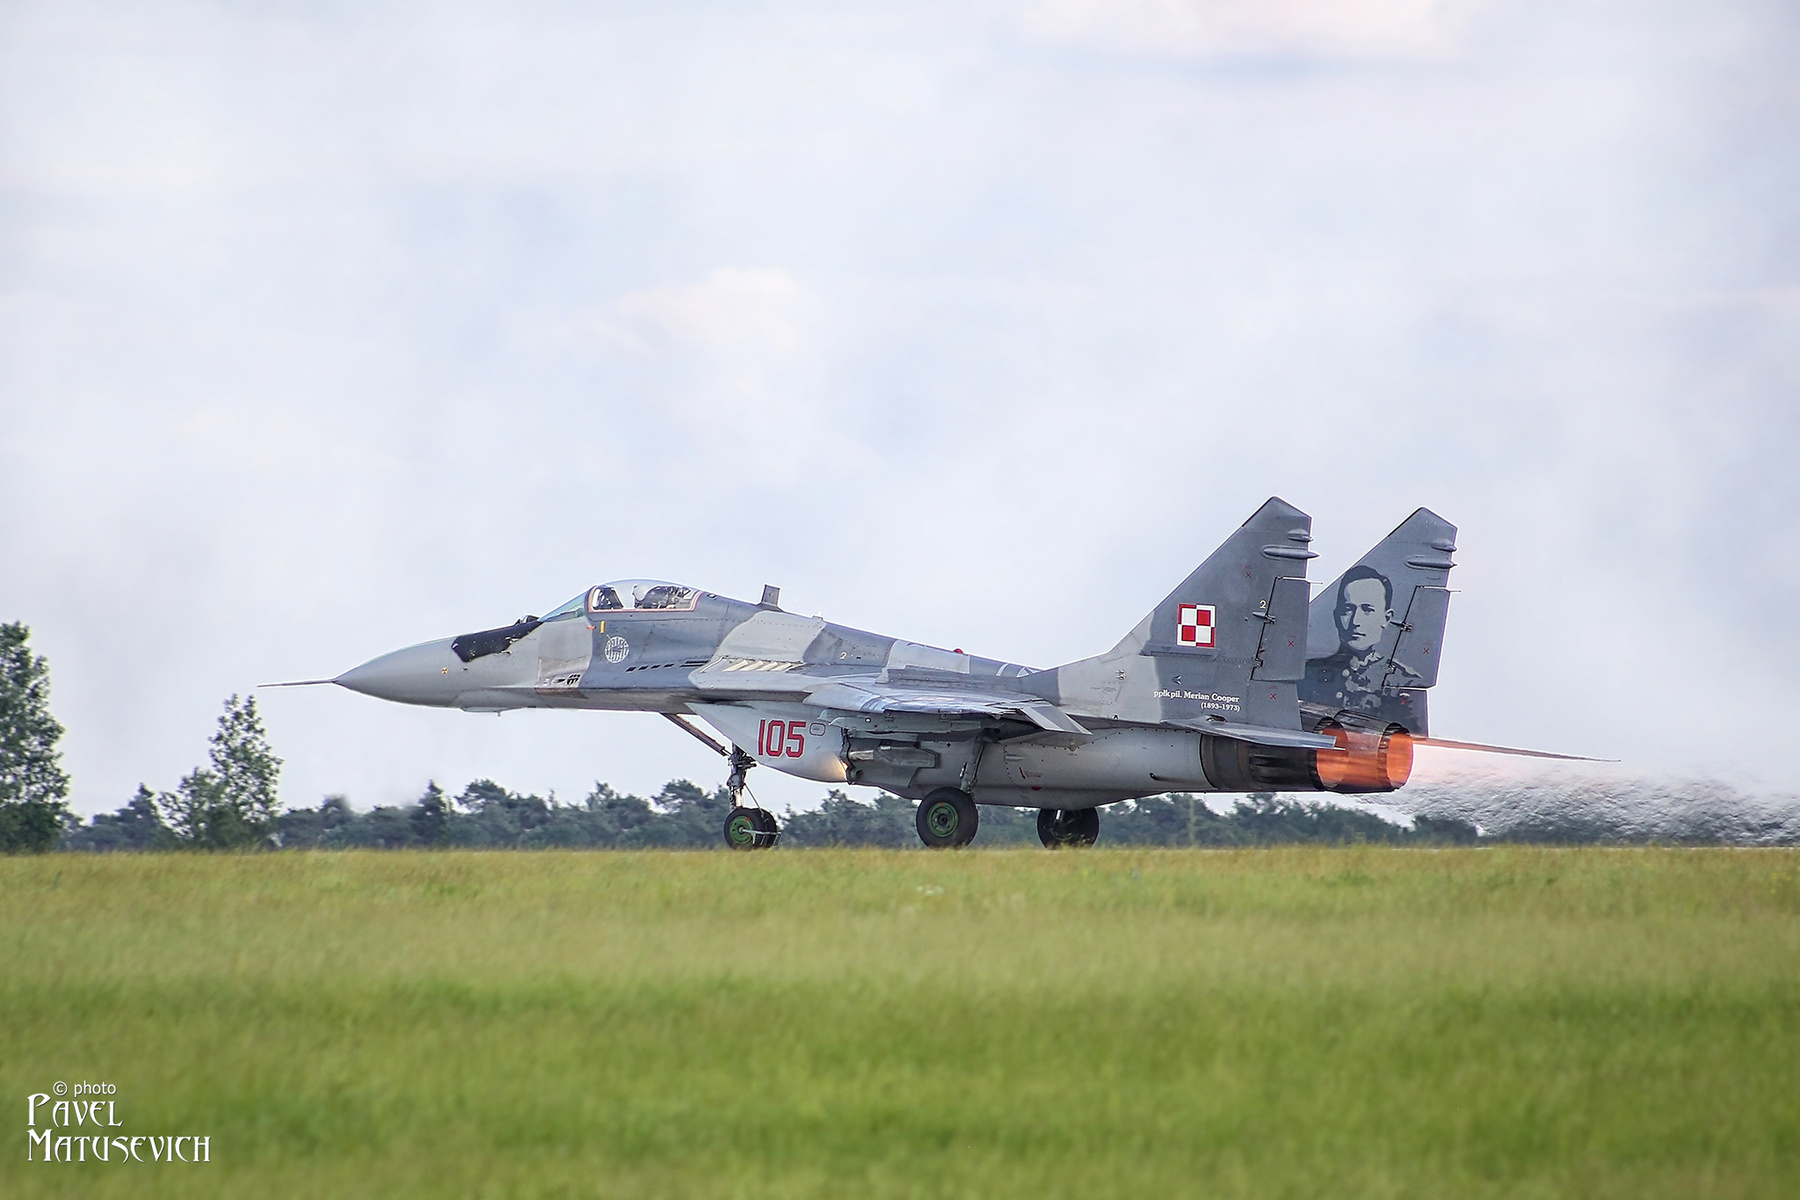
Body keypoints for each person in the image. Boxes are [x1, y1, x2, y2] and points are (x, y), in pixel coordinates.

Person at [1301, 565, 1421, 714]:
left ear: (1387, 618)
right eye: (1348, 610)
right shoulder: (1304, 673)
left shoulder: (1404, 679)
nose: (1355, 621)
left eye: (1367, 610)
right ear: (1337, 615)